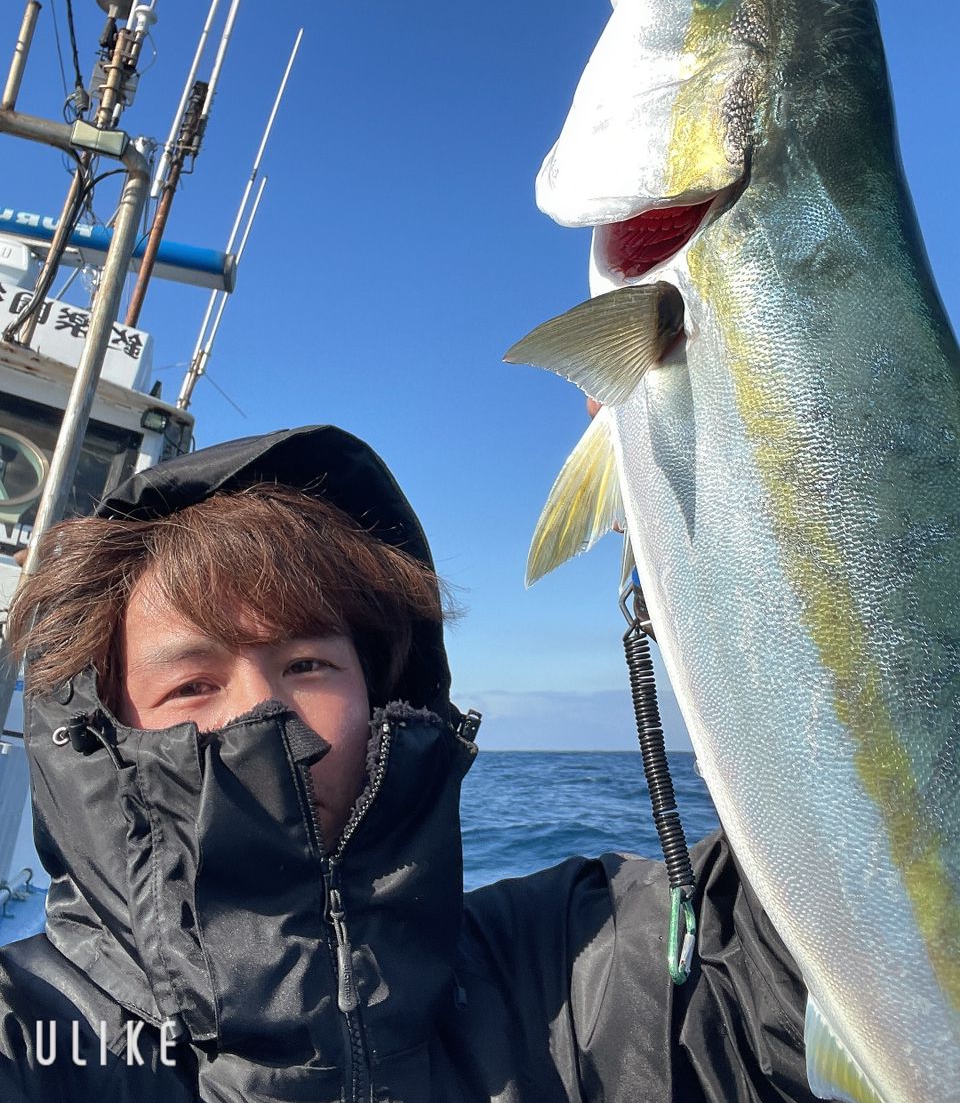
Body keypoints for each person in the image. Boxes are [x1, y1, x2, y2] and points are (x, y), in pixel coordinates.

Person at [0, 424, 814, 1101]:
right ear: (102, 732)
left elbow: (804, 958)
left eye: (309, 665)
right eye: (191, 683)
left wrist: (749, 514)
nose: (263, 714)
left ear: (387, 693)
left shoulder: (572, 965)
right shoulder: (31, 1033)